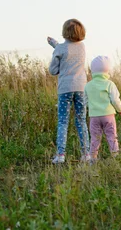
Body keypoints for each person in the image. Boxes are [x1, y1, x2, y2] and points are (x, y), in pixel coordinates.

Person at [47, 19, 90, 164]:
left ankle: (60, 155)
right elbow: (69, 50)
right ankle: (86, 154)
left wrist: (56, 48)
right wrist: (55, 45)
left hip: (65, 88)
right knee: (81, 120)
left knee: (63, 122)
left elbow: (53, 70)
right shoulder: (82, 47)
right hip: (81, 88)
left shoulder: (60, 49)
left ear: (64, 32)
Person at [85, 56, 121, 161]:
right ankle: (115, 157)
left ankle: (93, 159)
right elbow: (115, 100)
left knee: (94, 138)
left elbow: (85, 101)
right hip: (108, 116)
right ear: (107, 69)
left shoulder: (88, 86)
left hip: (94, 117)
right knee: (112, 137)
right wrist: (120, 109)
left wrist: (92, 108)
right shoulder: (110, 84)